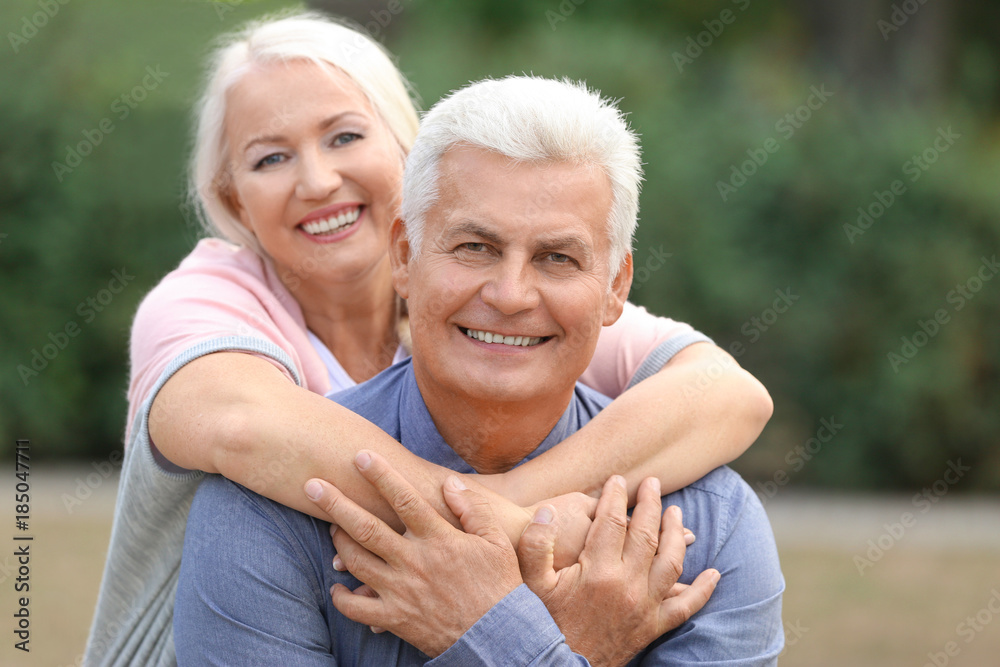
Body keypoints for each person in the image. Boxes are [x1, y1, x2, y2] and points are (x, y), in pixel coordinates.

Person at [84, 12, 773, 666]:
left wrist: (508, 523)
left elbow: (725, 394)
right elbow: (242, 427)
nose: (318, 180)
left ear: (404, 149)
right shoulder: (210, 309)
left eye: (345, 137)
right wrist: (530, 586)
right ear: (234, 200)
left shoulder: (518, 314)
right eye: (270, 159)